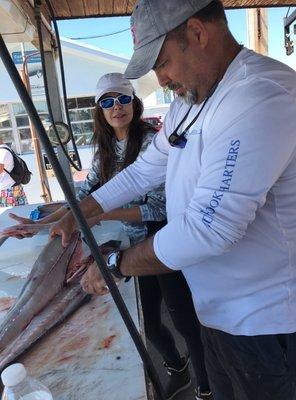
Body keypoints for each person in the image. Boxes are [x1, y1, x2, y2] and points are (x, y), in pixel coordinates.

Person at [46, 1, 296, 399]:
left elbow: (208, 228)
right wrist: (80, 213)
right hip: (217, 312)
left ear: (197, 33)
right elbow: (146, 169)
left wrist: (116, 264)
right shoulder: (192, 99)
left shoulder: (259, 95)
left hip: (264, 323)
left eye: (162, 62)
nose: (161, 79)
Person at [4, 73, 211, 400]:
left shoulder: (151, 142)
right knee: (149, 323)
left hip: (161, 241)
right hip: (131, 244)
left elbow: (158, 208)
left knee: (183, 319)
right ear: (99, 109)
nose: (117, 107)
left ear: (134, 102)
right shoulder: (103, 150)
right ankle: (177, 367)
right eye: (108, 101)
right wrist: (44, 225)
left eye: (123, 99)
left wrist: (100, 214)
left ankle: (205, 387)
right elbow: (83, 196)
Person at [0, 139, 28, 207]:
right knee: (21, 212)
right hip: (13, 187)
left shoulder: (2, 151)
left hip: (7, 190)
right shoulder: (6, 149)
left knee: (7, 215)